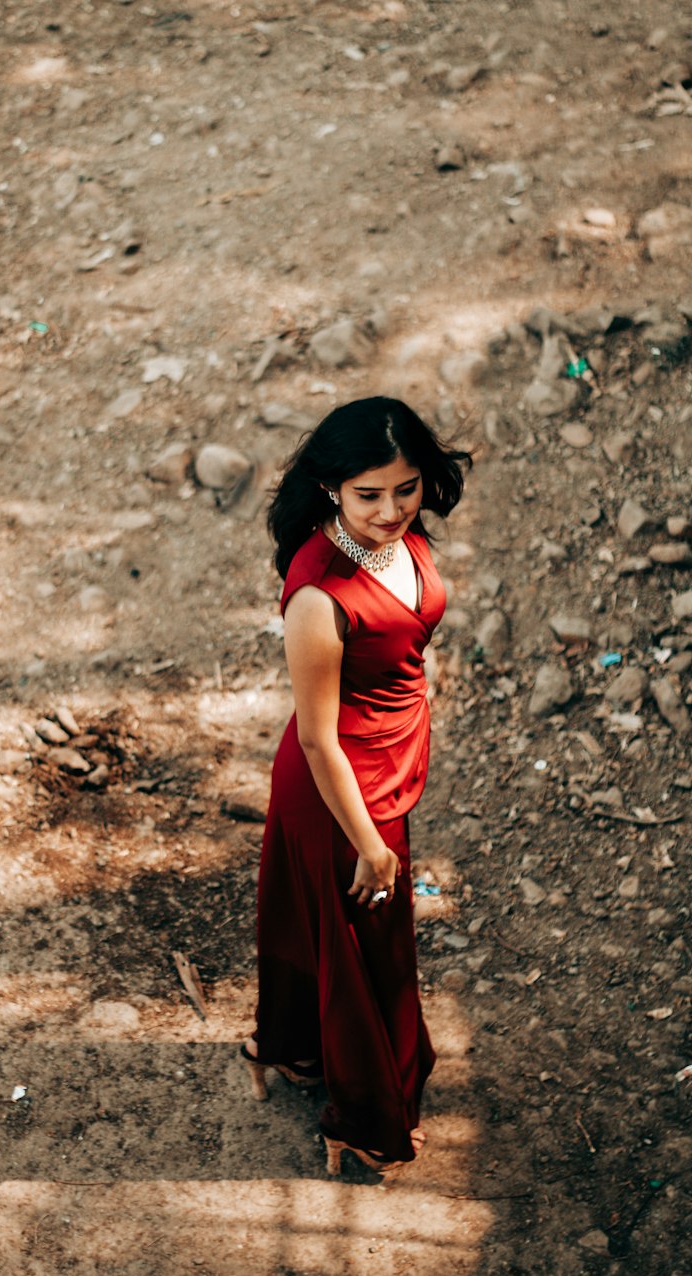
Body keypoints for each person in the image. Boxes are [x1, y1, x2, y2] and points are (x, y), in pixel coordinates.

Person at [242, 396, 471, 1174]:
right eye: (368, 494)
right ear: (332, 489)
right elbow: (314, 737)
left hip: (386, 758)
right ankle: (366, 1118)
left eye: (405, 488)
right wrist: (370, 847)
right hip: (342, 794)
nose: (391, 510)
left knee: (346, 943)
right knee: (371, 955)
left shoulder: (400, 537)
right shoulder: (317, 595)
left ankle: (297, 1051)